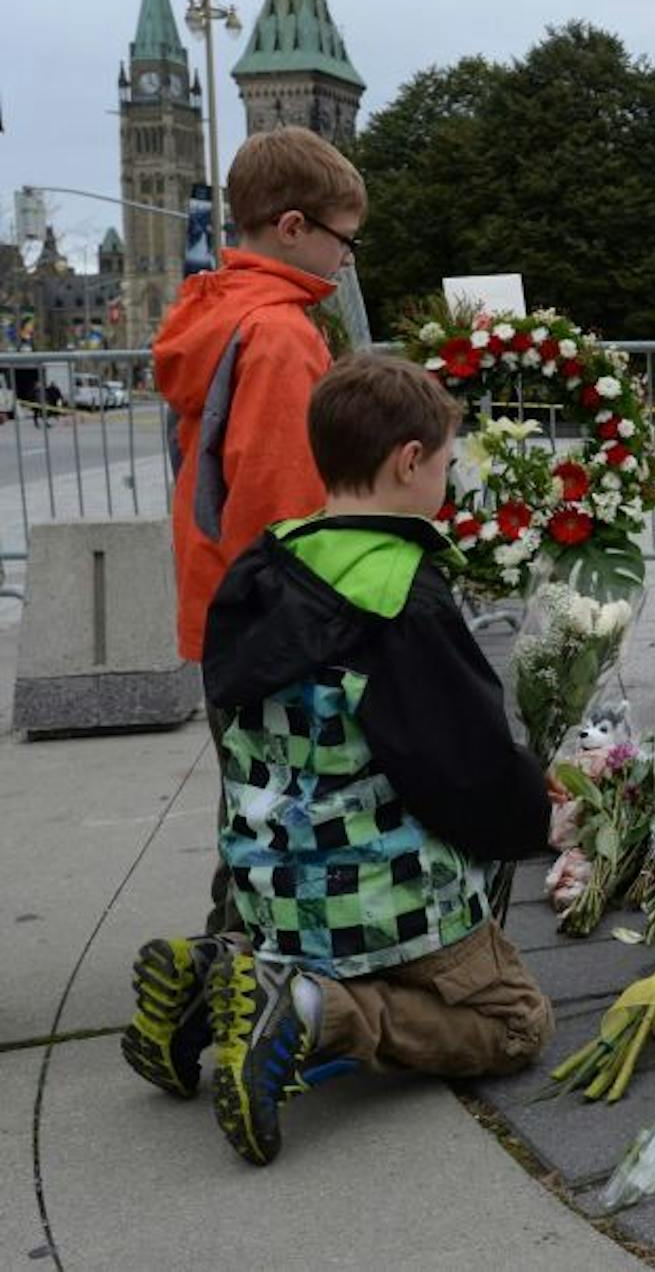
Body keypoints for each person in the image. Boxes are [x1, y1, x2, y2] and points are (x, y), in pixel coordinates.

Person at [120, 353, 554, 1166]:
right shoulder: (402, 595)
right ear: (410, 460)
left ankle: (211, 971)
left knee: (318, 918)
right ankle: (316, 1011)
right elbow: (464, 770)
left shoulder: (266, 566)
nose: (448, 486)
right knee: (518, 1023)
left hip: (272, 888)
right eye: (447, 466)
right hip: (381, 898)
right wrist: (536, 815)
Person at [152, 126, 366, 932]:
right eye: (344, 239)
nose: (348, 258)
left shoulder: (220, 311)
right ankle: (230, 969)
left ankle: (231, 955)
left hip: (223, 599)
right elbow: (286, 499)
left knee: (250, 792)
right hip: (273, 613)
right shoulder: (278, 334)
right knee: (277, 807)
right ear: (293, 228)